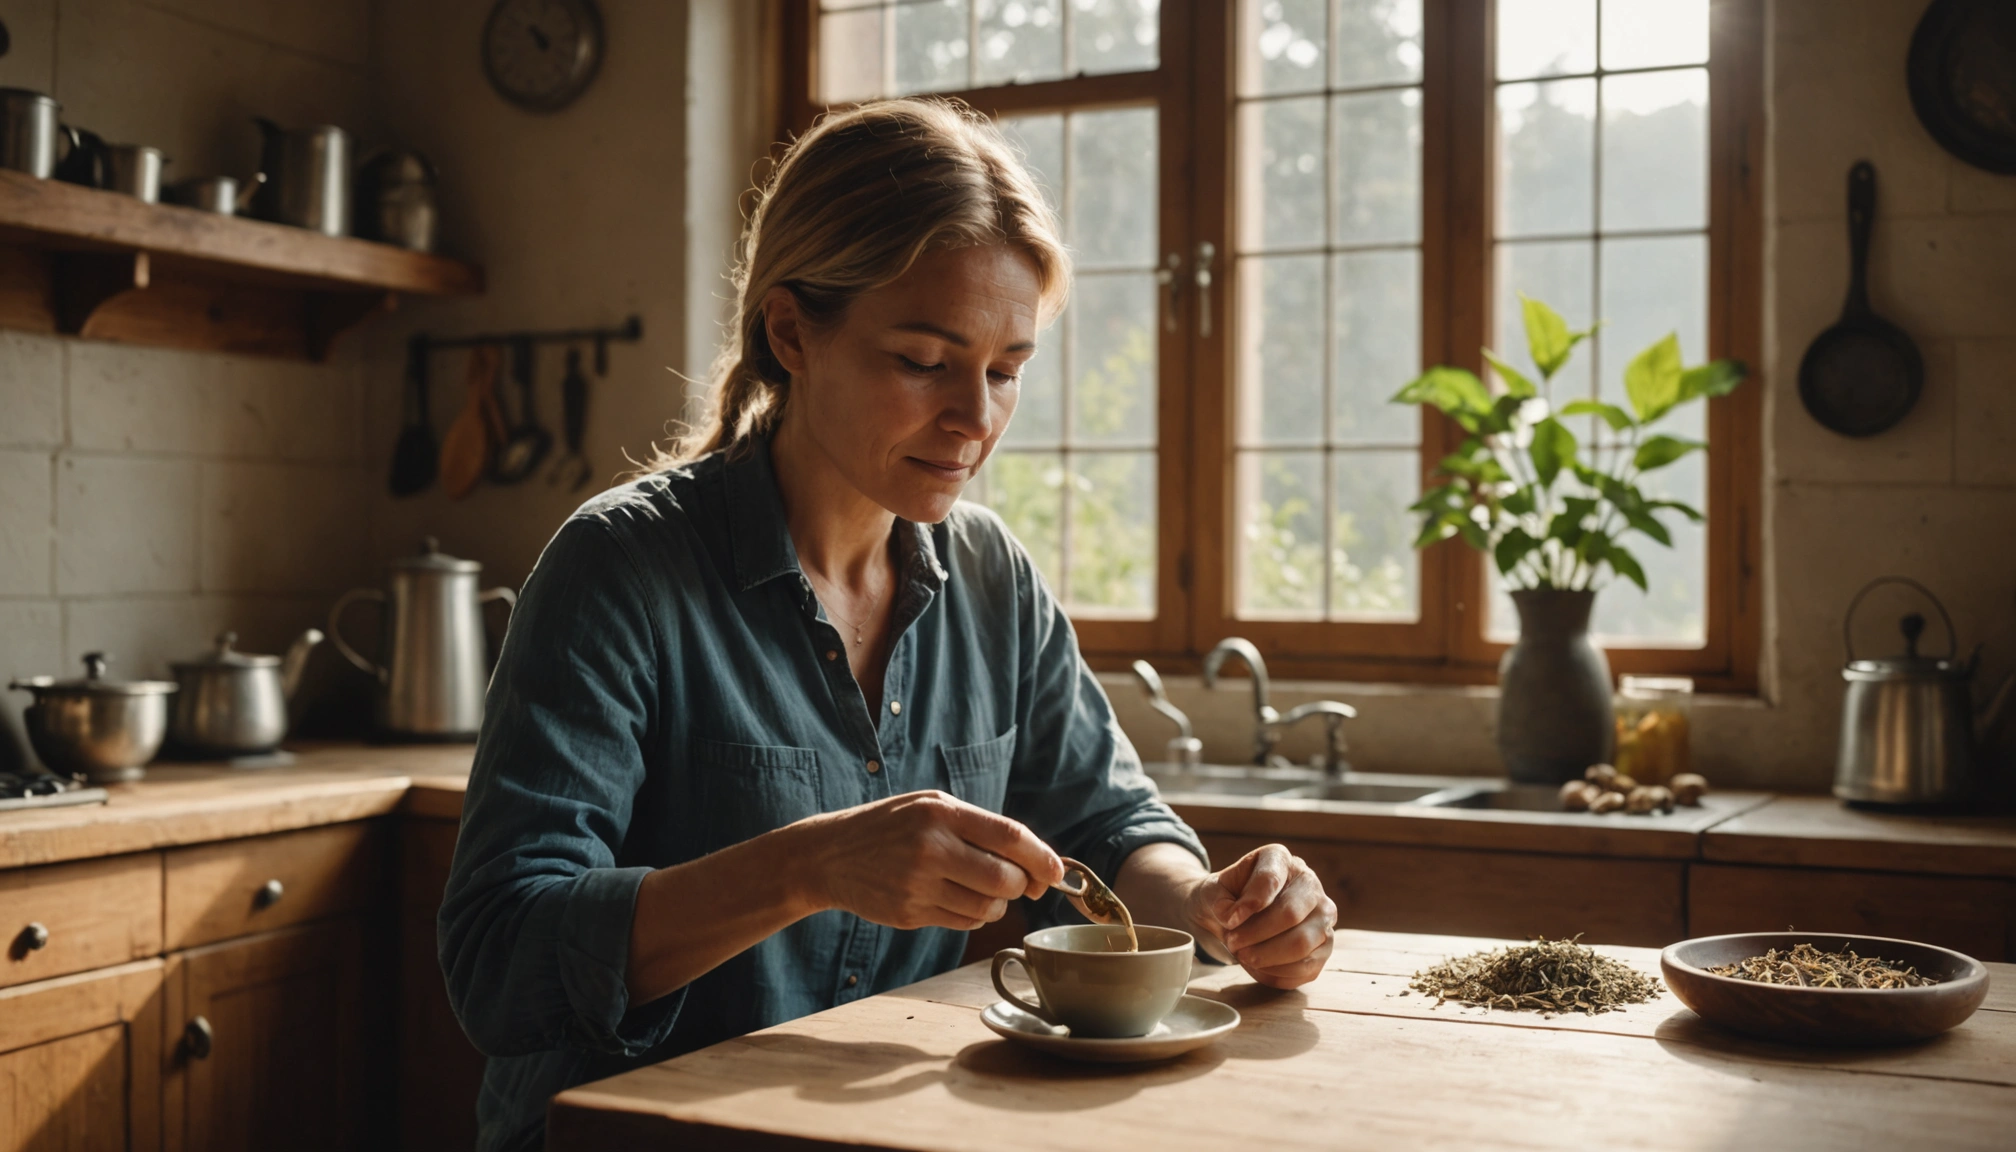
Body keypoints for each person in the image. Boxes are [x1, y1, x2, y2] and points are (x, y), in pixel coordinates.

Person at [438, 97, 1337, 1152]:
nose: (975, 419)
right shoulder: (619, 571)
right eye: (923, 360)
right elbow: (499, 963)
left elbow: (1107, 830)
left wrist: (1220, 908)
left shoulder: (995, 580)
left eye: (1005, 370)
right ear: (791, 333)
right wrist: (804, 867)